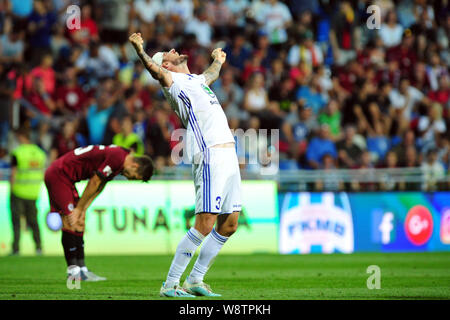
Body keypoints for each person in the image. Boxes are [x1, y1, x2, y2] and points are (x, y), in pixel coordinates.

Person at [129, 32, 241, 297]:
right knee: (205, 222)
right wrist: (140, 51)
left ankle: (195, 280)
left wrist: (218, 61)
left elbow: (209, 76)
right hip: (210, 153)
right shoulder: (172, 81)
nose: (171, 49)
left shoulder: (195, 80)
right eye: (166, 54)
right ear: (165, 64)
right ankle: (170, 284)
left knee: (230, 224)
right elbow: (154, 72)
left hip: (228, 155)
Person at [44, 144, 154, 281]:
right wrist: (79, 208)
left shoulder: (120, 159)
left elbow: (101, 184)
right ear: (135, 166)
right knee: (70, 222)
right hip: (59, 175)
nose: (129, 178)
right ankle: (73, 272)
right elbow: (94, 182)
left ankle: (82, 270)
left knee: (79, 222)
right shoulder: (117, 157)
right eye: (134, 177)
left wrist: (84, 208)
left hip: (67, 179)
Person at [10, 127, 47, 255]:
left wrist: (11, 189)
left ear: (20, 137)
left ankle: (16, 249)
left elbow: (13, 174)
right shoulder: (40, 153)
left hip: (18, 192)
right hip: (34, 193)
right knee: (33, 222)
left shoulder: (18, 153)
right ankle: (39, 247)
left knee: (16, 222)